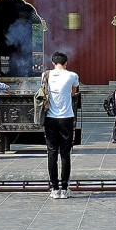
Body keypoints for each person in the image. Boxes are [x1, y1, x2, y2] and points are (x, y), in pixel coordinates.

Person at [43, 52, 79, 199]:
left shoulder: (46, 75)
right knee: (65, 153)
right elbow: (73, 92)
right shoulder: (73, 76)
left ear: (53, 63)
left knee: (51, 153)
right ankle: (64, 188)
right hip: (67, 118)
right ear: (66, 62)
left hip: (50, 118)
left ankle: (54, 188)